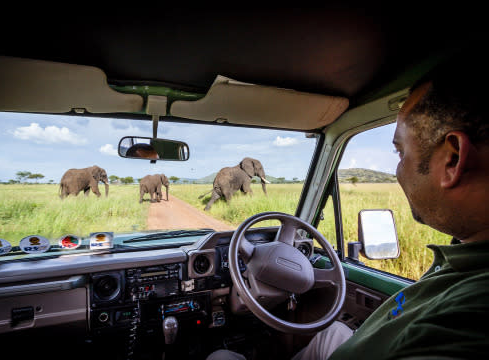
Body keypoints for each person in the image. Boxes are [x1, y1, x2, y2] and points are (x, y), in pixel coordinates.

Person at [207, 54, 489, 360]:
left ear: (453, 159)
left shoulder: (468, 321)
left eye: (400, 152)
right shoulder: (466, 259)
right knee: (331, 331)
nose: (398, 171)